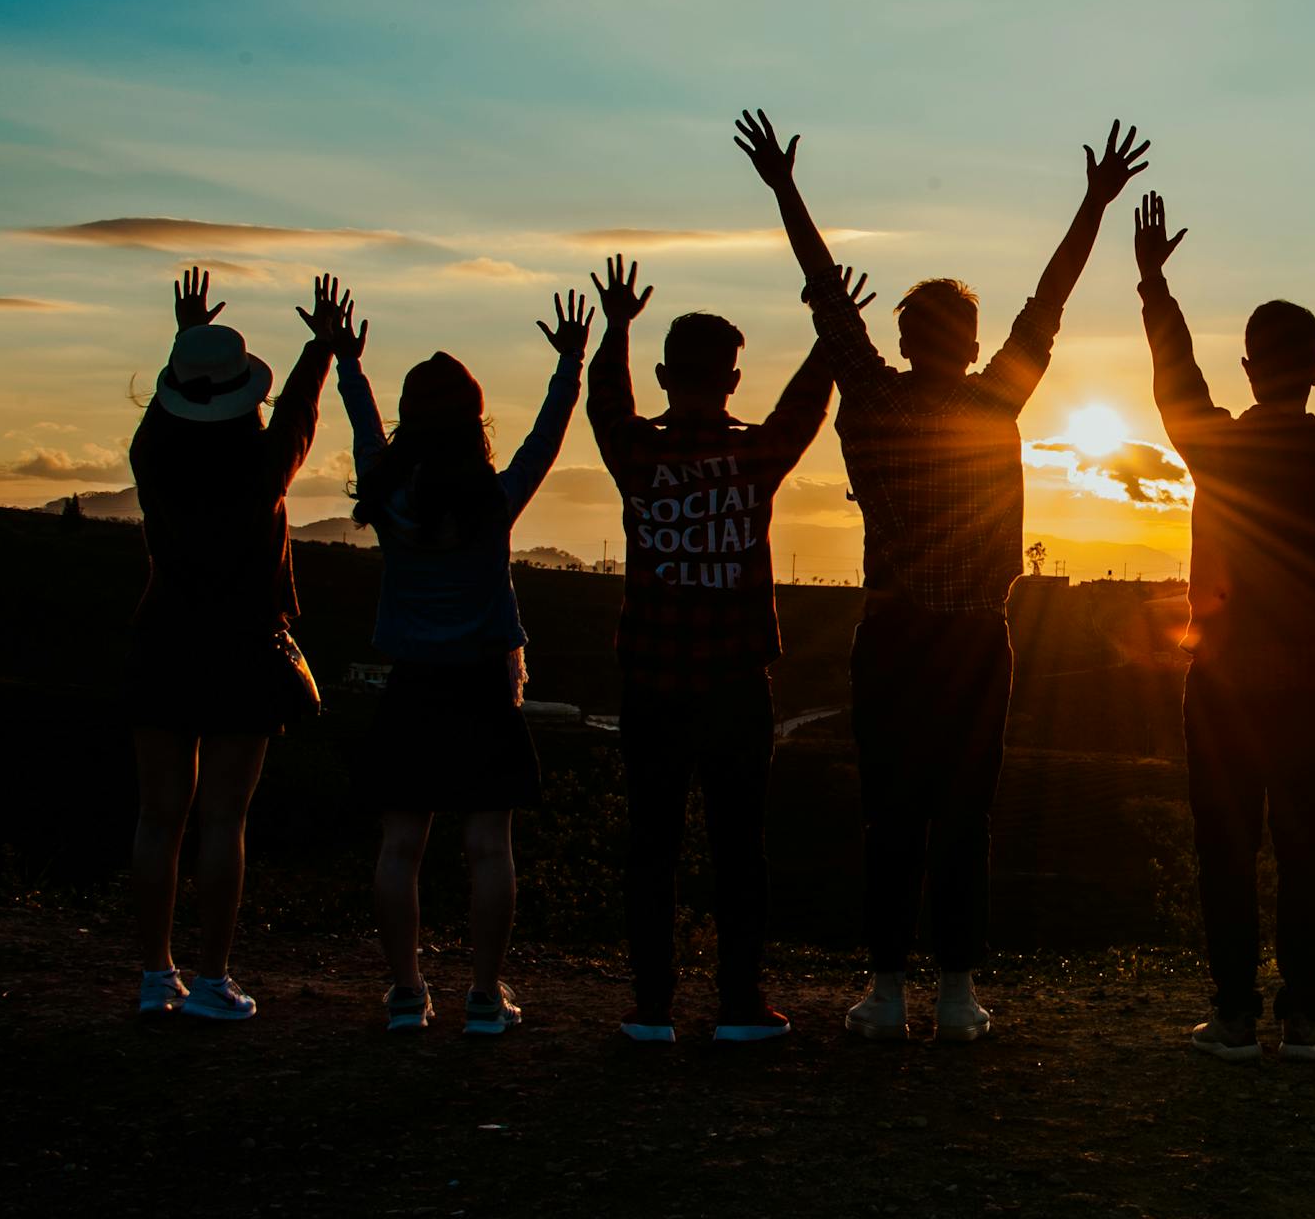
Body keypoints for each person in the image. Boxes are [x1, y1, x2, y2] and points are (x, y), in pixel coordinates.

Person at [739, 108, 1150, 1043]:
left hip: (891, 636)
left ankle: (885, 990)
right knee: (966, 813)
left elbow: (824, 294)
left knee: (891, 813)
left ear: (905, 334)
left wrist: (785, 189)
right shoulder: (993, 398)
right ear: (967, 343)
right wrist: (1092, 200)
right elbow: (1050, 300)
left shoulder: (873, 398)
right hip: (972, 640)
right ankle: (958, 991)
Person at [1134, 189, 1315, 1063]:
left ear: (1248, 368)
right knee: (1306, 849)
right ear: (1314, 368)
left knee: (1226, 850)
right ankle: (1306, 1015)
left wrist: (1154, 288)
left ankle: (1237, 1013)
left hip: (1221, 682)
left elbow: (1177, 381)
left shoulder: (1216, 444)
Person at [585, 254, 871, 1045]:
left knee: (652, 845)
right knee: (741, 847)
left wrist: (614, 325)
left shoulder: (637, 455)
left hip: (650, 680)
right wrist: (830, 330)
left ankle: (650, 1007)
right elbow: (805, 407)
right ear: (733, 379)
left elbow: (605, 403)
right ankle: (740, 1003)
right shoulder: (753, 457)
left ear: (666, 373)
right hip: (737, 683)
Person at [335, 289, 590, 1036]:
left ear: (413, 419)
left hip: (411, 683)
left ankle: (407, 994)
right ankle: (485, 994)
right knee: (488, 845)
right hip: (483, 685)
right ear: (474, 421)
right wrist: (569, 364)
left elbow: (363, 425)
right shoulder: (493, 499)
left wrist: (348, 361)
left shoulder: (388, 495)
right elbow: (545, 437)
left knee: (401, 844)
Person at [125, 268, 347, 1021]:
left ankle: (156, 973)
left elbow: (173, 407)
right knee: (224, 818)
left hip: (163, 637)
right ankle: (214, 976)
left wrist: (185, 337)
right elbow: (300, 416)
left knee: (159, 815)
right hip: (244, 644)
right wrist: (321, 345)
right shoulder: (261, 468)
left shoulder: (151, 456)